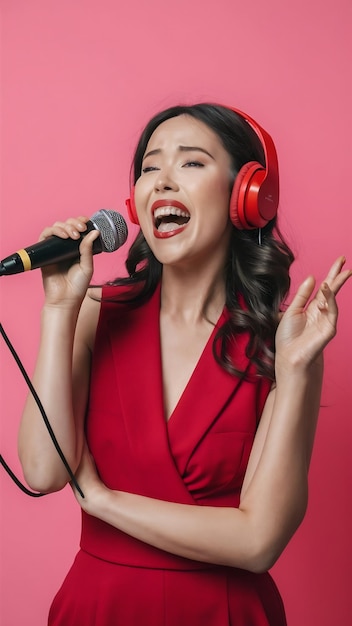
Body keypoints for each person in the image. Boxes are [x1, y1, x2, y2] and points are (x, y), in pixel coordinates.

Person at [18, 103, 351, 626]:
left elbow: (258, 542)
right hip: (98, 608)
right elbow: (42, 471)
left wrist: (103, 503)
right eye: (150, 167)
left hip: (224, 612)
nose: (163, 180)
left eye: (191, 163)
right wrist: (60, 310)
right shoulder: (93, 313)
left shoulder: (283, 344)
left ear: (248, 196)